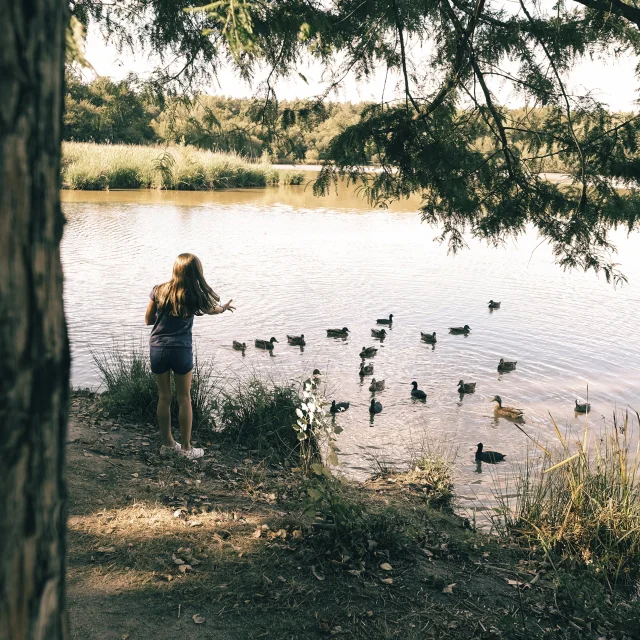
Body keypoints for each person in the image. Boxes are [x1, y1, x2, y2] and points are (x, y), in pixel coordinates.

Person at [145, 253, 235, 459]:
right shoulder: (194, 296)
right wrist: (223, 308)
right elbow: (211, 310)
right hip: (181, 350)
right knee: (184, 398)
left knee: (164, 397)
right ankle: (186, 448)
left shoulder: (158, 290)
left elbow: (148, 320)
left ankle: (167, 444)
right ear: (196, 273)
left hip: (158, 348)